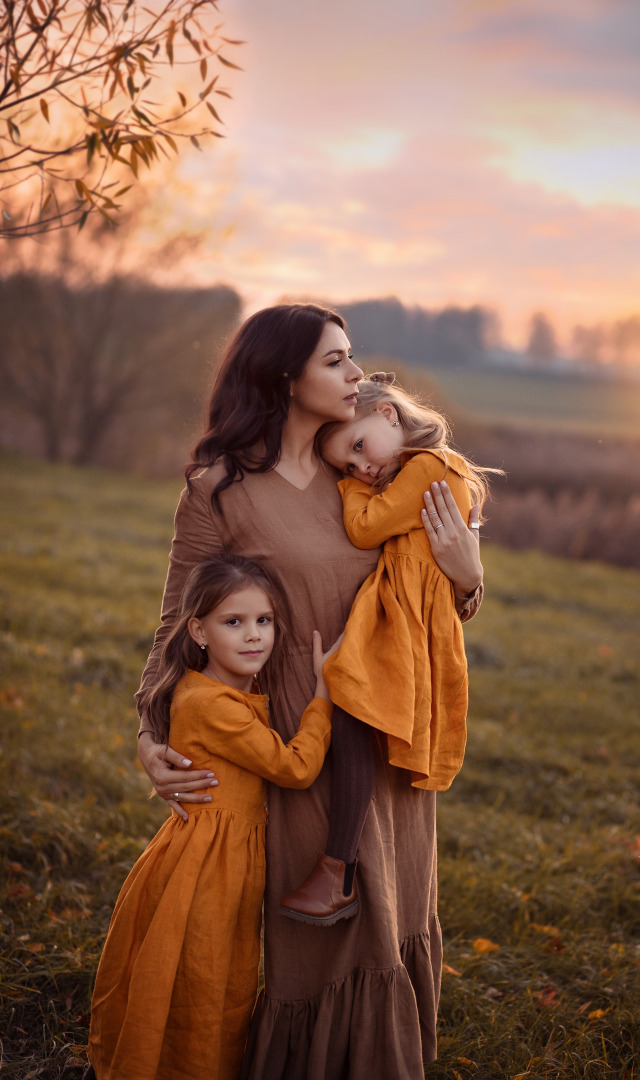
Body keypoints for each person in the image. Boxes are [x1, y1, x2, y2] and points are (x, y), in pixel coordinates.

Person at [136, 303, 485, 1080]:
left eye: (351, 358)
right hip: (302, 727)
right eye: (335, 361)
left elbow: (428, 591)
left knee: (393, 912)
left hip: (389, 716)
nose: (355, 376)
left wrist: (470, 580)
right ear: (284, 376)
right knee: (325, 937)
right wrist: (149, 737)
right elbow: (176, 625)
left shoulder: (365, 471)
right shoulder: (221, 489)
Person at [87, 554, 336, 1080]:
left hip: (219, 857)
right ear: (198, 630)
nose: (253, 637)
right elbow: (293, 767)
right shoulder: (210, 704)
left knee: (219, 974)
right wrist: (322, 699)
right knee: (198, 972)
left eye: (263, 621)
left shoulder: (220, 693)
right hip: (205, 865)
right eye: (233, 622)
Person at [279, 372, 498, 926]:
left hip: (402, 629)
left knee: (351, 711)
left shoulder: (429, 468)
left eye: (359, 448)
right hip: (399, 623)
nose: (362, 469)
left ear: (390, 416)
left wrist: (349, 489)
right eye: (349, 468)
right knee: (352, 720)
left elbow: (364, 529)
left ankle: (338, 870)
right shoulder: (420, 472)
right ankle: (339, 870)